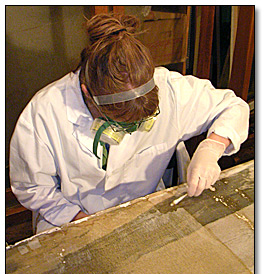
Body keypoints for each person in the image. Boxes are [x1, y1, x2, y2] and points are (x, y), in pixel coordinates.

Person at [9, 13, 250, 234]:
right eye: (120, 125)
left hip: (144, 210)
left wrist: (213, 147)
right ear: (87, 93)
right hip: (70, 216)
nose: (129, 134)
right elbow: (33, 188)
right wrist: (85, 223)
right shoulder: (45, 111)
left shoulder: (170, 89)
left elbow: (232, 106)